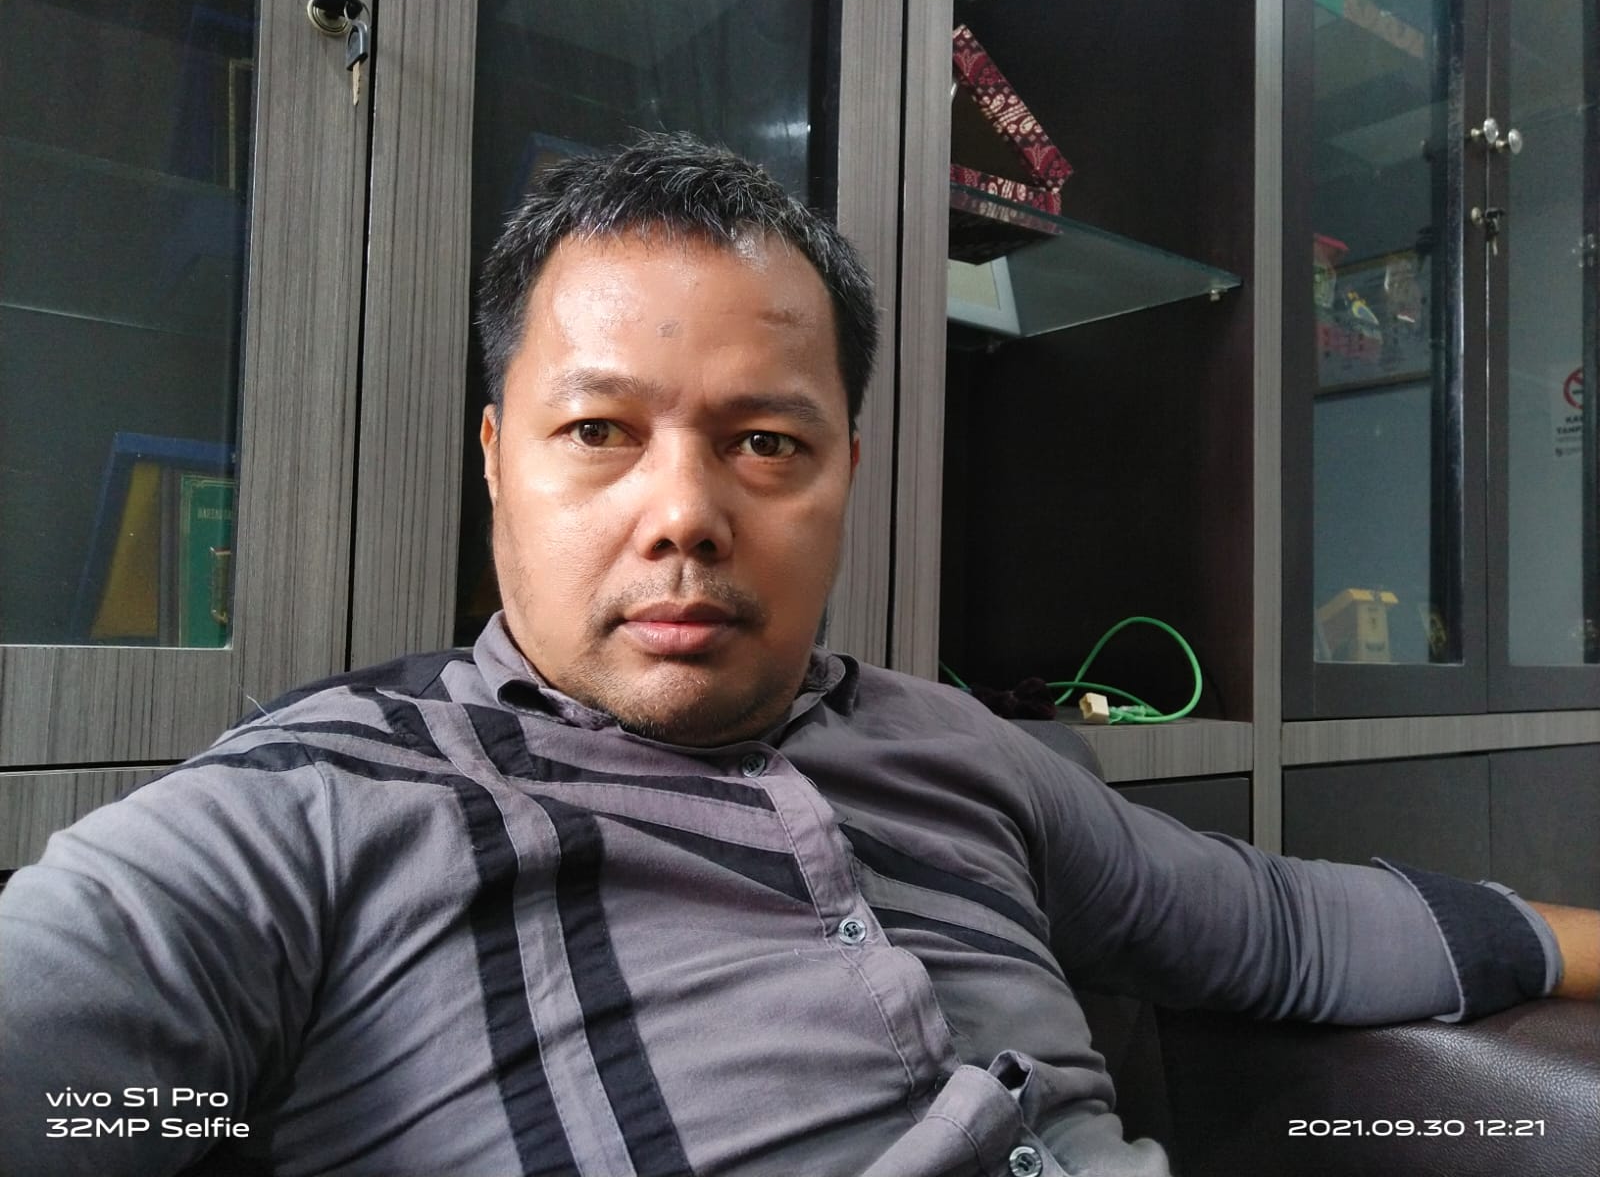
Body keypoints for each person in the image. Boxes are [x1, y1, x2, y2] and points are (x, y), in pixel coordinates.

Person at [0, 133, 1594, 1177]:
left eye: (765, 443)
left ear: (847, 472)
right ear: (496, 460)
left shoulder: (957, 751)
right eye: (597, 433)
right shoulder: (315, 807)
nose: (684, 516)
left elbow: (1290, 927)